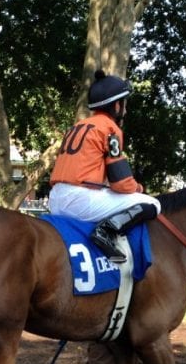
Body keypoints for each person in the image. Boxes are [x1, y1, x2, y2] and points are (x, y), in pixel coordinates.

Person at [48, 69, 161, 263]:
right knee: (152, 204)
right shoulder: (109, 128)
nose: (125, 110)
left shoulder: (78, 126)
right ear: (117, 105)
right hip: (80, 199)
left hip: (55, 199)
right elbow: (121, 183)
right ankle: (105, 231)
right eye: (124, 104)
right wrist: (139, 189)